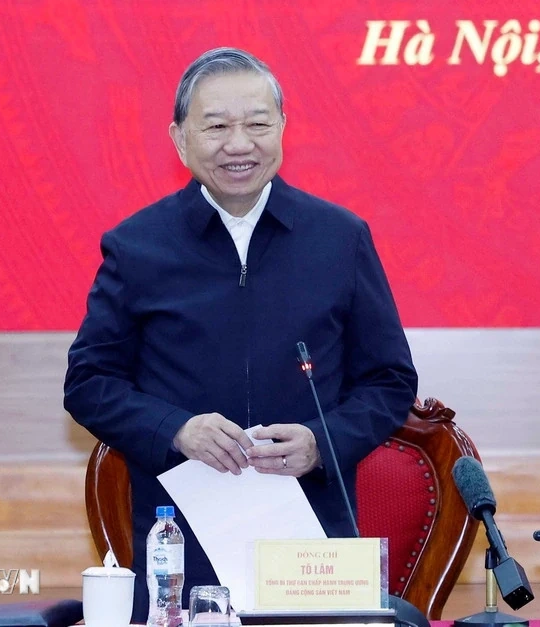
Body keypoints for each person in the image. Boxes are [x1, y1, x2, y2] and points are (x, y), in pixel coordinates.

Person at [64, 47, 418, 622]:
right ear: (179, 139)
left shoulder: (340, 238)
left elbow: (390, 380)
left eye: (257, 124)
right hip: (181, 543)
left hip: (310, 544)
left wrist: (320, 442)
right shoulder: (136, 246)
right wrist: (176, 429)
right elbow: (88, 383)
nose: (239, 144)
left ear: (282, 129)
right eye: (216, 127)